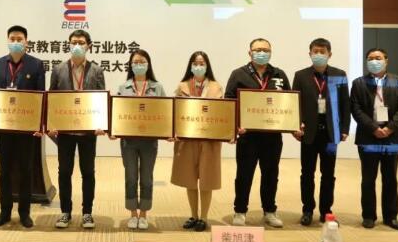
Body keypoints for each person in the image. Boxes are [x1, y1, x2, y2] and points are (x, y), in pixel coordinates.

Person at [225, 38, 290, 228]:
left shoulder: (279, 74)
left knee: (271, 174)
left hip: (272, 136)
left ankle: (269, 211)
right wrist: (236, 125)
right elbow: (229, 102)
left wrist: (292, 123)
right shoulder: (238, 74)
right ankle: (240, 211)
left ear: (271, 52)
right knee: (244, 175)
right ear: (250, 53)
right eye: (258, 49)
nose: (262, 53)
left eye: (266, 50)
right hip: (248, 136)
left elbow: (290, 103)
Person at [0, 26, 45, 229]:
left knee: (25, 170)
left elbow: (40, 96)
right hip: (3, 128)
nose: (16, 42)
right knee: (4, 170)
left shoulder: (36, 65)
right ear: (7, 40)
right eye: (12, 38)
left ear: (26, 41)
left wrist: (39, 124)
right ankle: (4, 211)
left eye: (19, 39)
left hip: (26, 129)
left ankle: (24, 212)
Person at [49, 29, 106, 229]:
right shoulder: (58, 70)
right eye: (74, 42)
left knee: (88, 172)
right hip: (65, 132)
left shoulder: (97, 71)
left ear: (89, 46)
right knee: (64, 171)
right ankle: (65, 212)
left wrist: (101, 124)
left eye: (81, 42)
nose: (77, 46)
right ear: (68, 44)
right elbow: (52, 99)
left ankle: (87, 213)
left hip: (88, 132)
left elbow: (101, 100)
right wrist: (51, 124)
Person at [351, 48, 398, 230]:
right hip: (368, 137)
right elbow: (356, 109)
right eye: (370, 58)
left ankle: (391, 217)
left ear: (386, 60)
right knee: (368, 179)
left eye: (378, 58)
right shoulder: (359, 83)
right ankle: (368, 216)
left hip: (392, 138)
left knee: (390, 178)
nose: (374, 61)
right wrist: (374, 128)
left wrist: (390, 128)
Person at [292, 38, 350, 226]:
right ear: (309, 54)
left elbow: (345, 104)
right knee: (307, 173)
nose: (318, 54)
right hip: (308, 134)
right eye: (315, 51)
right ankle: (307, 209)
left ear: (329, 54)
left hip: (331, 134)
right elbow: (294, 104)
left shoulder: (339, 75)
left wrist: (345, 128)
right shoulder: (300, 76)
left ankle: (326, 210)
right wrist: (295, 125)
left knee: (328, 174)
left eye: (322, 51)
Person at [171, 51, 228, 232]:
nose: (198, 66)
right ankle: (193, 215)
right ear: (190, 66)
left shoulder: (216, 87)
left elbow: (223, 112)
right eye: (195, 63)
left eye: (202, 63)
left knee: (206, 180)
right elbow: (175, 112)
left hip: (209, 141)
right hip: (187, 140)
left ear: (207, 66)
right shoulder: (182, 86)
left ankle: (204, 217)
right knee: (189, 179)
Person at [112, 49, 165, 230]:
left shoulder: (157, 87)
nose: (139, 65)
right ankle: (133, 213)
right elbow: (117, 113)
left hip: (150, 141)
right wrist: (113, 130)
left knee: (147, 179)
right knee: (131, 177)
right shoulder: (123, 87)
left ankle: (143, 214)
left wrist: (168, 131)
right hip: (129, 141)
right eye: (135, 62)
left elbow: (165, 113)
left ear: (148, 64)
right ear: (130, 65)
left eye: (142, 61)